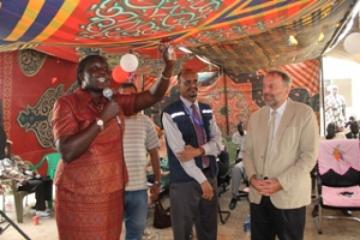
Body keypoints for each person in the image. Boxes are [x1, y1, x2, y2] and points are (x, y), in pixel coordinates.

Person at [52, 49, 174, 239]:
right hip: (79, 195)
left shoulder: (113, 101)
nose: (103, 72)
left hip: (112, 192)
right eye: (95, 68)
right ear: (80, 76)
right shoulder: (67, 103)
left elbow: (151, 96)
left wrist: (169, 67)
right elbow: (67, 151)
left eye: (106, 69)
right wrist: (102, 119)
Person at [243, 70, 319, 240]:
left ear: (287, 89)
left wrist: (281, 182)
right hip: (259, 197)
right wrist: (252, 177)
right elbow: (247, 152)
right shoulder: (256, 117)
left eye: (271, 86)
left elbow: (309, 156)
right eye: (264, 86)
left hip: (289, 196)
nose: (266, 91)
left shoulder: (304, 114)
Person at [162, 68, 222, 240]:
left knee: (208, 228)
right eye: (187, 82)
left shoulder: (206, 109)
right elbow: (182, 154)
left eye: (195, 81)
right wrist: (202, 181)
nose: (192, 86)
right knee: (183, 231)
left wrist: (199, 151)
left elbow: (219, 143)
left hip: (209, 174)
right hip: (184, 182)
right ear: (178, 85)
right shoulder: (170, 113)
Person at [118, 83, 161, 240]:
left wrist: (157, 182)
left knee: (135, 233)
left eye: (131, 97)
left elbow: (154, 153)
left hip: (139, 190)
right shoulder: (110, 121)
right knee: (111, 232)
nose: (128, 101)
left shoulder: (146, 122)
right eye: (124, 97)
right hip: (114, 190)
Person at [229, 121, 247, 209]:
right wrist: (235, 160)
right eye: (239, 128)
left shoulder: (250, 135)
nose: (241, 130)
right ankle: (234, 195)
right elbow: (235, 149)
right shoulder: (235, 136)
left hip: (252, 161)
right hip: (241, 160)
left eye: (242, 128)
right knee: (236, 169)